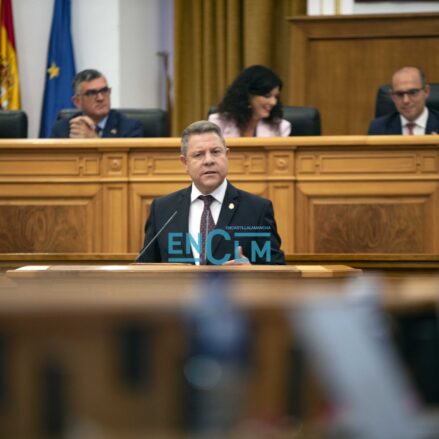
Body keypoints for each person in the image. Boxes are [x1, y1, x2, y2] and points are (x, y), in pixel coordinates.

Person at [137, 120, 285, 265]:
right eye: (198, 154)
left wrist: (251, 273)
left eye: (215, 152)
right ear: (185, 163)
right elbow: (145, 267)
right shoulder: (163, 209)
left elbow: (277, 272)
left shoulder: (256, 209)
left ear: (227, 155)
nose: (209, 160)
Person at [51, 69, 144, 138]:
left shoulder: (130, 127)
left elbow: (124, 164)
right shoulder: (62, 128)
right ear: (77, 101)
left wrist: (93, 139)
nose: (100, 98)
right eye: (92, 93)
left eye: (104, 91)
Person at [208, 65, 291, 137]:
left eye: (276, 97)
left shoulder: (281, 128)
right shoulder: (217, 123)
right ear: (247, 95)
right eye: (267, 96)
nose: (273, 102)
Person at [368, 66, 439, 135]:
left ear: (426, 91)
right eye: (399, 94)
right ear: (392, 96)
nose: (406, 101)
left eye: (413, 92)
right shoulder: (378, 128)